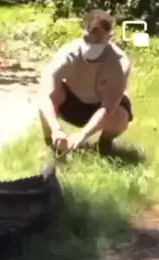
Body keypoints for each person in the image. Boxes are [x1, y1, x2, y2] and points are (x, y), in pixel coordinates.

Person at [38, 9, 133, 155]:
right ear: (83, 32)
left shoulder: (120, 63)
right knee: (44, 98)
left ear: (109, 37)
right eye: (88, 38)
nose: (91, 44)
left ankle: (104, 142)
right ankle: (51, 140)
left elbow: (108, 107)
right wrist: (56, 128)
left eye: (98, 40)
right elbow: (47, 91)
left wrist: (82, 134)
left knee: (121, 117)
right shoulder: (67, 54)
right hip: (71, 103)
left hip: (100, 107)